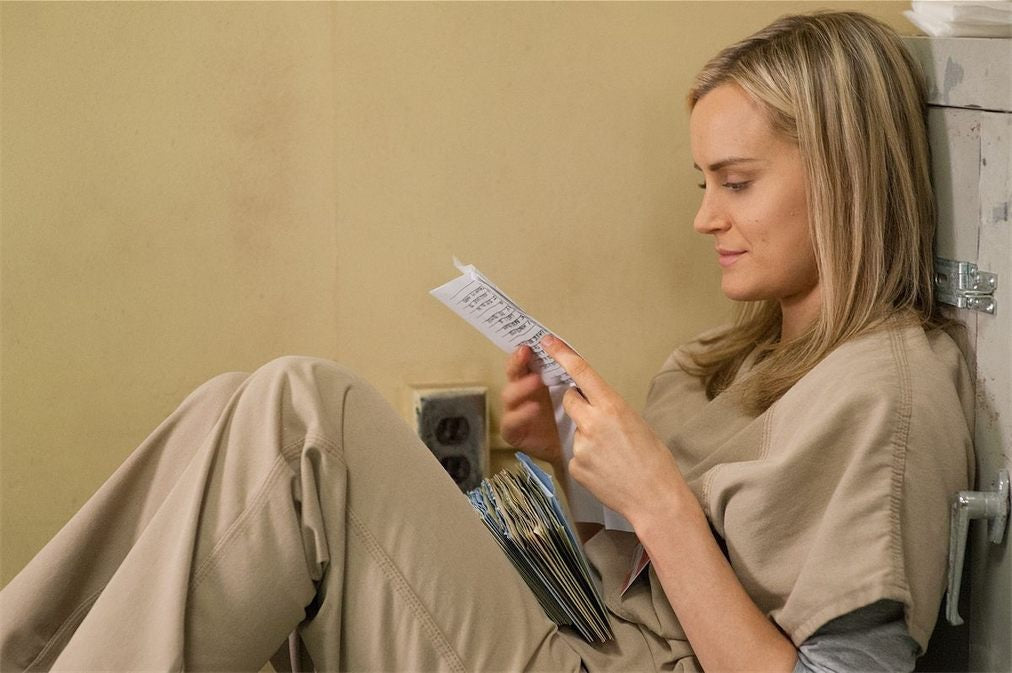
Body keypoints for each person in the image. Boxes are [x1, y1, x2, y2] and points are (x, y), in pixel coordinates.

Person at [0, 10, 972, 673]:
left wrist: (659, 499)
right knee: (236, 405)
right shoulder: (736, 358)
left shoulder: (889, 394)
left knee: (306, 417)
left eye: (736, 180)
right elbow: (681, 551)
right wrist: (575, 466)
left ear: (841, 177)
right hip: (578, 615)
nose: (704, 217)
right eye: (699, 183)